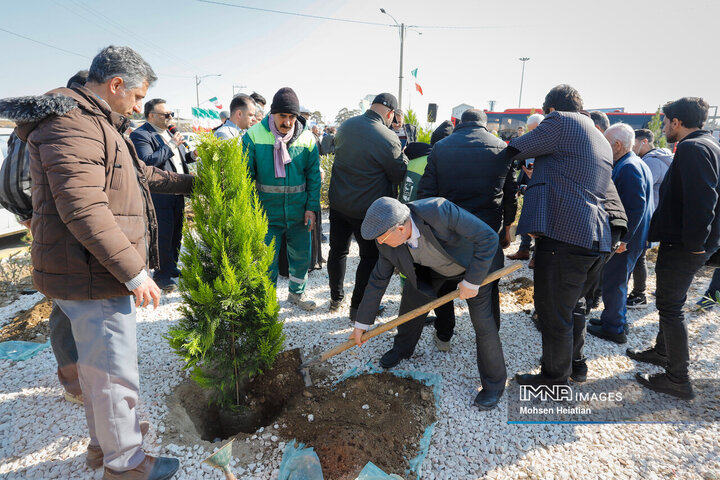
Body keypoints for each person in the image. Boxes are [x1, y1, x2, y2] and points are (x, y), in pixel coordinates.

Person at [0, 45, 194, 479]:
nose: (140, 106)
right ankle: (125, 463)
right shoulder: (73, 123)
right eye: (139, 96)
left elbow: (138, 175)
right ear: (116, 84)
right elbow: (84, 207)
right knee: (112, 371)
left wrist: (192, 183)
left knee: (97, 367)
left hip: (84, 268)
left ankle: (102, 444)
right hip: (93, 271)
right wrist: (134, 271)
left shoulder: (96, 122)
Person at [351, 197, 502, 409]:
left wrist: (472, 281)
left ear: (401, 228)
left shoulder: (439, 211)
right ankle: (402, 349)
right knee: (411, 303)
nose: (380, 243)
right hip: (435, 271)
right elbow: (377, 281)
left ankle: (493, 386)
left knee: (483, 324)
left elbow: (488, 237)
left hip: (475, 265)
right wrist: (362, 324)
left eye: (383, 238)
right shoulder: (386, 242)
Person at [510, 85, 613, 387]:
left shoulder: (561, 121)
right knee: (572, 309)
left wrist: (498, 149)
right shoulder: (596, 134)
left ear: (551, 109)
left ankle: (553, 381)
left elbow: (517, 149)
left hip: (565, 237)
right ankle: (575, 368)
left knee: (553, 315)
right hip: (595, 237)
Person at [630, 97, 720, 400]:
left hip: (684, 245)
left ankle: (678, 379)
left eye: (666, 122)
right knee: (671, 303)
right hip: (689, 243)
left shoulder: (694, 149)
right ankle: (661, 351)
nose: (664, 127)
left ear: (677, 122)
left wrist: (695, 245)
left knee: (670, 307)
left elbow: (702, 201)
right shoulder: (709, 145)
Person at [418, 108, 517, 345]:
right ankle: (489, 337)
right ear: (485, 125)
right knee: (488, 286)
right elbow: (511, 195)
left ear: (460, 123)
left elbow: (425, 195)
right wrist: (508, 229)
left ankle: (444, 334)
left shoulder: (441, 147)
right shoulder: (502, 148)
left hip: (449, 234)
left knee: (443, 283)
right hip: (488, 231)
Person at [327, 93, 407, 320]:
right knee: (369, 258)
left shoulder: (345, 126)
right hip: (367, 211)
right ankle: (357, 309)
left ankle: (336, 298)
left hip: (339, 204)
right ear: (390, 113)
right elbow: (397, 174)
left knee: (337, 251)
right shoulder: (388, 137)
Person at [242, 87, 321, 311]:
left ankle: (297, 295)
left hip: (299, 212)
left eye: (291, 117)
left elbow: (313, 177)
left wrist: (311, 208)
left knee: (301, 256)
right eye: (282, 116)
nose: (287, 122)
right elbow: (246, 177)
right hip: (266, 213)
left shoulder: (307, 139)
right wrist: (251, 211)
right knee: (266, 260)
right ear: (272, 114)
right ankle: (267, 301)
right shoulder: (253, 135)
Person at [587, 124, 653, 344]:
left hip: (628, 240)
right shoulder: (636, 163)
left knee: (615, 282)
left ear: (616, 145)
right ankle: (613, 319)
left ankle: (614, 328)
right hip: (636, 237)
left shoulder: (628, 167)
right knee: (618, 280)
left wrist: (624, 239)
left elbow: (636, 207)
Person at [130, 98, 197, 290]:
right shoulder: (141, 135)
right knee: (162, 234)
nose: (170, 117)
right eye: (166, 114)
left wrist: (192, 156)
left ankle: (171, 267)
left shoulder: (168, 133)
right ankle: (161, 275)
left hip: (177, 190)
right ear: (151, 115)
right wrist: (171, 146)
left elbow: (177, 159)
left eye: (171, 114)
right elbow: (147, 162)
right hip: (159, 194)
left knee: (176, 232)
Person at [626, 128, 674, 308]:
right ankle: (639, 293)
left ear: (644, 142)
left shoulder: (652, 162)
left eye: (634, 143)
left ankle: (638, 294)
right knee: (640, 256)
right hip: (656, 215)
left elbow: (640, 189)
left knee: (638, 257)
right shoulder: (664, 158)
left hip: (647, 216)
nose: (632, 147)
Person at [507, 113, 544, 262]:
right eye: (530, 130)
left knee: (540, 221)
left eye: (535, 130)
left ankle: (537, 255)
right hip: (530, 186)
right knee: (526, 217)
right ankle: (523, 249)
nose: (533, 133)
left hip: (543, 188)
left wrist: (536, 174)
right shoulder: (531, 142)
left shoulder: (551, 143)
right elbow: (520, 163)